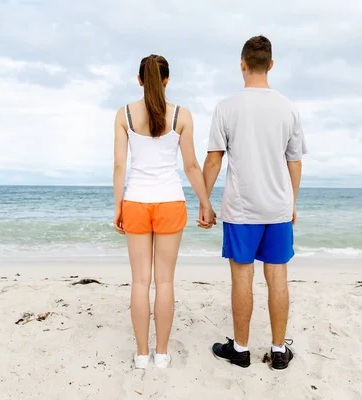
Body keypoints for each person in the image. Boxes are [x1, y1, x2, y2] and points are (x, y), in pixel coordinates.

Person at [202, 36, 307, 370]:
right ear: (271, 65)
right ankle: (278, 351)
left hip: (242, 210)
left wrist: (204, 203)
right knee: (278, 278)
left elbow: (214, 161)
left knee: (242, 278)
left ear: (242, 64)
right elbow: (294, 162)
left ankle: (241, 349)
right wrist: (291, 202)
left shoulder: (226, 107)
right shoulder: (288, 107)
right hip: (277, 207)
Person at [113, 54, 216, 370]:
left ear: (140, 79)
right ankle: (162, 354)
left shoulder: (125, 114)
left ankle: (141, 354)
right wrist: (206, 203)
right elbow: (191, 166)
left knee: (140, 281)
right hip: (170, 201)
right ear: (167, 80)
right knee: (165, 282)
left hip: (136, 202)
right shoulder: (181, 115)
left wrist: (119, 205)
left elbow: (120, 165)